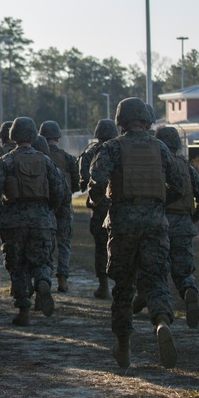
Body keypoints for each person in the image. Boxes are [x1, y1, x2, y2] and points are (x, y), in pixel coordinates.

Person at [87, 98, 184, 369]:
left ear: (121, 121)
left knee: (123, 287)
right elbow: (177, 183)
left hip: (122, 224)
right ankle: (162, 322)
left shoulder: (111, 148)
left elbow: (96, 182)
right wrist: (159, 204)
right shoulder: (161, 147)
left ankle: (124, 346)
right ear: (147, 120)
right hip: (155, 224)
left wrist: (103, 203)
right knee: (156, 280)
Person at [132, 126, 199, 327]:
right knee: (183, 271)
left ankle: (146, 299)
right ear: (177, 144)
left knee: (153, 270)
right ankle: (188, 290)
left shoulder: (154, 166)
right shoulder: (187, 167)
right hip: (183, 227)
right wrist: (193, 217)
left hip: (157, 224)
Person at [0, 117, 65, 327]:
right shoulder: (45, 160)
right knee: (41, 260)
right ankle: (42, 282)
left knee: (18, 266)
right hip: (42, 219)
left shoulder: (6, 161)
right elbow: (59, 188)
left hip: (14, 220)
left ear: (13, 136)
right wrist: (50, 209)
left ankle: (24, 311)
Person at [78, 119, 119, 299]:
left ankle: (103, 285)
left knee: (101, 247)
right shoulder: (121, 149)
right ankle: (122, 284)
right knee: (122, 246)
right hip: (119, 205)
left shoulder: (90, 152)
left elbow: (83, 179)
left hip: (99, 206)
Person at [39, 120, 79, 292]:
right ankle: (62, 278)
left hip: (44, 206)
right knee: (64, 243)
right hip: (64, 205)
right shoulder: (68, 159)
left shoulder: (39, 157)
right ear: (57, 137)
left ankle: (44, 279)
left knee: (44, 244)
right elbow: (77, 184)